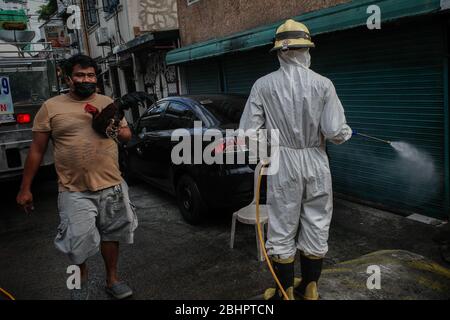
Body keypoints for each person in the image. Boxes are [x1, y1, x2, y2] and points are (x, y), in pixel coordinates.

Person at [239, 19, 352, 300]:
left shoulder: (263, 85)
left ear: (279, 52)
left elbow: (248, 133)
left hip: (283, 162)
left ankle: (284, 291)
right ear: (307, 49)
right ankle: (310, 288)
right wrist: (345, 132)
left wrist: (269, 149)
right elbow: (335, 131)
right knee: (316, 221)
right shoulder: (324, 85)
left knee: (282, 225)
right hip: (316, 160)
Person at [16, 54, 137, 300]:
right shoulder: (51, 107)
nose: (86, 79)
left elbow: (126, 135)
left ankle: (112, 279)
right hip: (74, 190)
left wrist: (113, 124)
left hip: (112, 185)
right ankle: (78, 284)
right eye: (80, 75)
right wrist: (25, 187)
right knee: (76, 244)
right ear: (68, 77)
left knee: (112, 236)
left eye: (91, 75)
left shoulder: (107, 102)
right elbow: (37, 150)